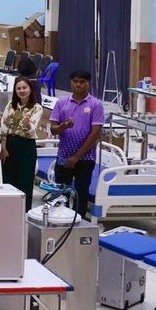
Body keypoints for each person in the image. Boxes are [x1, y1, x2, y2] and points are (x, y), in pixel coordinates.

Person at [49, 70, 105, 217]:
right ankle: (60, 220)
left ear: (88, 84)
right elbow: (53, 130)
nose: (78, 84)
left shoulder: (96, 105)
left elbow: (95, 134)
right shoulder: (62, 103)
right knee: (61, 193)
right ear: (71, 82)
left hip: (85, 158)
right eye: (75, 81)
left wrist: (76, 157)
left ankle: (79, 221)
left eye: (82, 82)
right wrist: (64, 126)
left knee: (81, 194)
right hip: (63, 156)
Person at [0, 76, 43, 211]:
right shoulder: (10, 105)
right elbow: (3, 127)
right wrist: (3, 148)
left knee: (25, 182)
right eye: (18, 88)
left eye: (24, 87)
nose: (22, 90)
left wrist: (27, 124)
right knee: (8, 181)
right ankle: (8, 212)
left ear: (30, 89)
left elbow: (32, 130)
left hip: (26, 146)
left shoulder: (37, 108)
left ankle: (24, 213)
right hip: (9, 144)